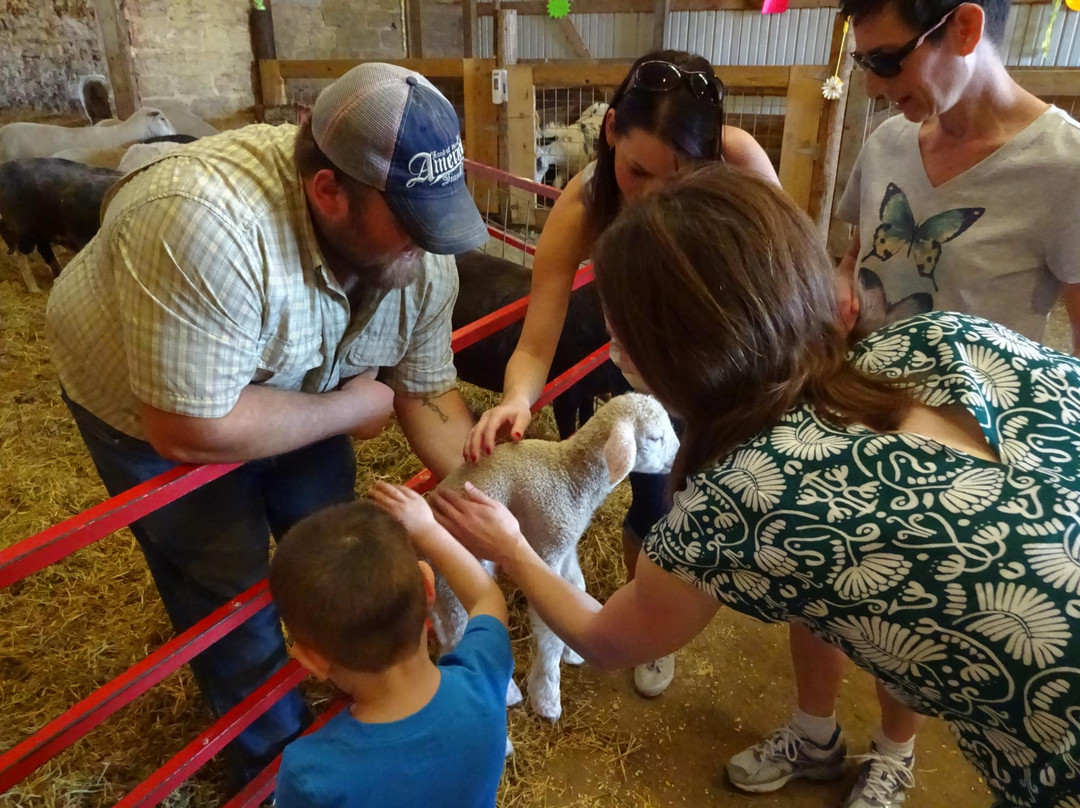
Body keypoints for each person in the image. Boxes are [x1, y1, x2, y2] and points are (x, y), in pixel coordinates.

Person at [432, 164, 1080, 808]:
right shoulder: (934, 338)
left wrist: (511, 546)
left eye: (621, 334)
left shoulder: (738, 503)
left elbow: (605, 641)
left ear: (659, 354)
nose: (617, 349)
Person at [45, 63, 484, 788]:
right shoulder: (204, 220)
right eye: (412, 221)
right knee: (226, 576)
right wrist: (351, 409)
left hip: (301, 380)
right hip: (151, 407)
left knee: (330, 538)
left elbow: (427, 393)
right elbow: (188, 428)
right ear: (328, 192)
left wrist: (491, 499)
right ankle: (275, 768)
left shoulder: (420, 260)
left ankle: (351, 686)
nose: (430, 242)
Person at [766, 0, 1080, 803]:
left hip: (959, 439)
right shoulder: (888, 142)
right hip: (854, 399)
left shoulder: (1062, 167)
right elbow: (852, 255)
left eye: (885, 61)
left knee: (906, 608)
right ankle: (812, 730)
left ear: (964, 29)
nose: (874, 84)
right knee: (814, 565)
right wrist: (839, 290)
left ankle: (894, 751)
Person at [465, 49, 779, 698]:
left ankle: (672, 605)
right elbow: (538, 334)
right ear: (610, 132)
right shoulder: (584, 205)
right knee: (657, 498)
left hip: (726, 364)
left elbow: (780, 271)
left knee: (720, 495)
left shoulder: (742, 159)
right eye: (638, 171)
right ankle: (651, 622)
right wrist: (518, 400)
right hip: (647, 372)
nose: (657, 195)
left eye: (685, 176)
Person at [270, 489, 513, 808]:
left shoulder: (311, 772)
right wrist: (428, 530)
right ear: (428, 586)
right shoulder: (485, 678)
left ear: (311, 661)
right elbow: (487, 598)